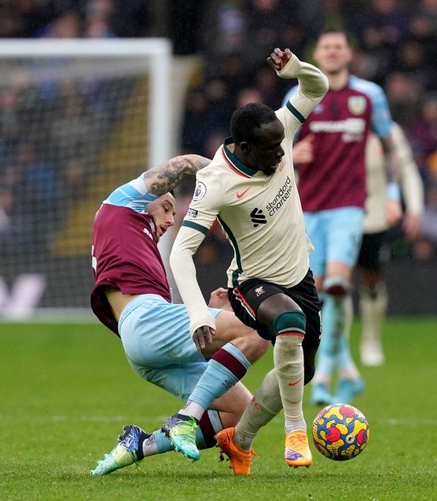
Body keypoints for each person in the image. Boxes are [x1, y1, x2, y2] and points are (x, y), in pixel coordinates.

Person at [169, 47, 328, 474]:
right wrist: (197, 314)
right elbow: (180, 251)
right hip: (251, 285)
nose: (281, 155)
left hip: (299, 275)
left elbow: (318, 86)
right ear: (242, 146)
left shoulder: (280, 130)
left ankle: (240, 440)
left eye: (282, 143)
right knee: (289, 324)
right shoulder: (215, 182)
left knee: (301, 370)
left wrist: (296, 70)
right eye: (270, 149)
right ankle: (296, 427)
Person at [89, 154, 270, 475]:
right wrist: (235, 180)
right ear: (145, 198)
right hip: (145, 321)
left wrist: (214, 312)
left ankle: (140, 444)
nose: (172, 219)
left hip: (144, 344)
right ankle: (187, 417)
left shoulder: (137, 246)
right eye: (167, 208)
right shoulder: (120, 205)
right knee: (257, 329)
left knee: (240, 412)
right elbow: (186, 162)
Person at [283, 29, 401, 406]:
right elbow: (275, 146)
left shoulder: (369, 95)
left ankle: (323, 378)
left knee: (336, 283)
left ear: (349, 52)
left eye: (338, 46)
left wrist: (394, 194)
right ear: (316, 54)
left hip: (350, 207)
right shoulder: (299, 94)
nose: (332, 52)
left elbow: (390, 146)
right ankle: (341, 368)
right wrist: (290, 153)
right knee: (315, 296)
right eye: (326, 47)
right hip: (308, 208)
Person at [357, 122, 424, 367]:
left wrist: (414, 209)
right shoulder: (329, 124)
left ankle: (371, 338)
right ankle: (335, 345)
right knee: (334, 283)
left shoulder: (388, 130)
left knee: (371, 279)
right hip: (335, 214)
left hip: (375, 217)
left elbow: (406, 169)